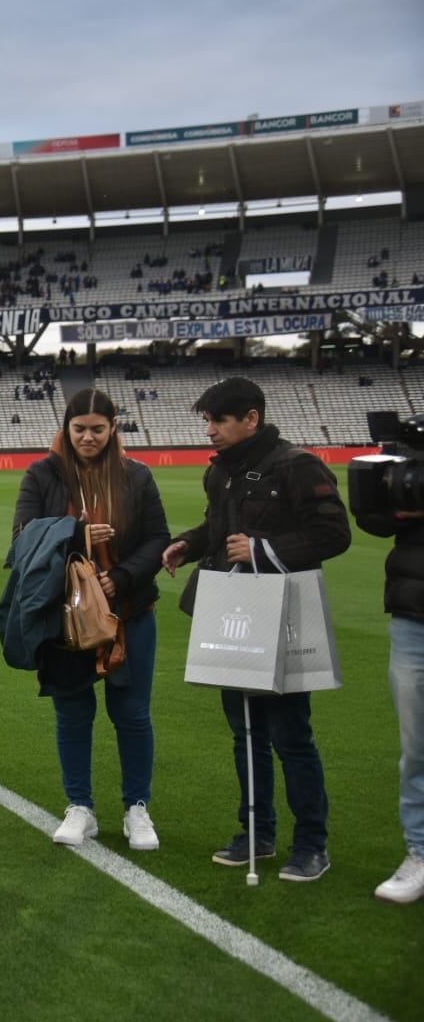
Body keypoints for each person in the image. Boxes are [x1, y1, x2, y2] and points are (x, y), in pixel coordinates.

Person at [162, 377, 351, 882]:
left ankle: (312, 843)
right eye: (206, 421)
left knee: (292, 734)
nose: (210, 430)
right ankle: (257, 834)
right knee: (245, 733)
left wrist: (265, 549)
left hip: (282, 613)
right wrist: (188, 543)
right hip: (231, 610)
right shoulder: (220, 473)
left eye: (219, 420)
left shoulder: (296, 465)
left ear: (252, 418)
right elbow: (218, 529)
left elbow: (334, 533)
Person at [9, 389, 170, 853]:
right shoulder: (42, 474)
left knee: (133, 713)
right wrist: (74, 534)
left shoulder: (136, 476)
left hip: (130, 610)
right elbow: (21, 539)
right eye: (79, 428)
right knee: (73, 712)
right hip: (66, 617)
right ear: (66, 428)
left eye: (98, 428)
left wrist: (119, 579)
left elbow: (158, 537)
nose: (88, 437)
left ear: (114, 428)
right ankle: (80, 806)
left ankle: (137, 807)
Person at [353, 497, 424, 903]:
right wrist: (396, 508)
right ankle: (420, 850)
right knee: (416, 748)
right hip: (413, 613)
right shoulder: (403, 450)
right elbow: (370, 518)